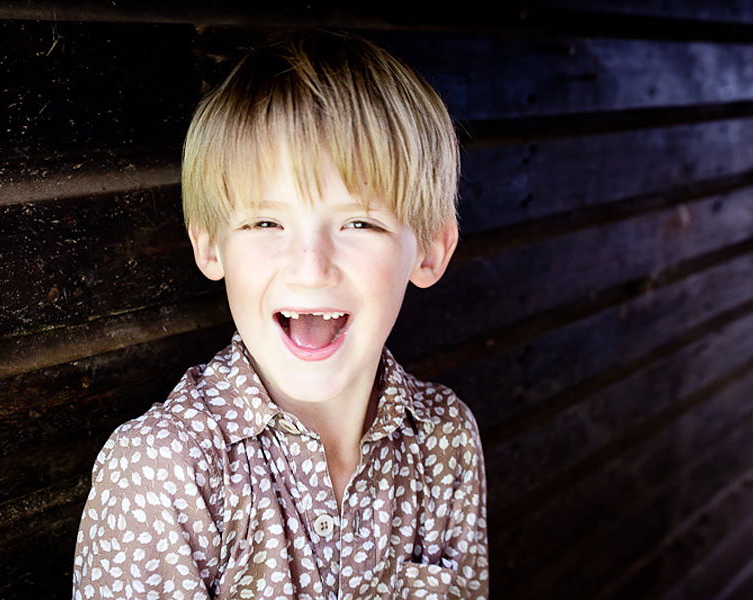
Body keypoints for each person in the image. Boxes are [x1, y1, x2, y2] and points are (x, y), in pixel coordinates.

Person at [72, 30, 488, 600]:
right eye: (265, 223)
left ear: (432, 251)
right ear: (210, 247)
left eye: (359, 223)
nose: (310, 268)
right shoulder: (160, 473)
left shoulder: (446, 440)